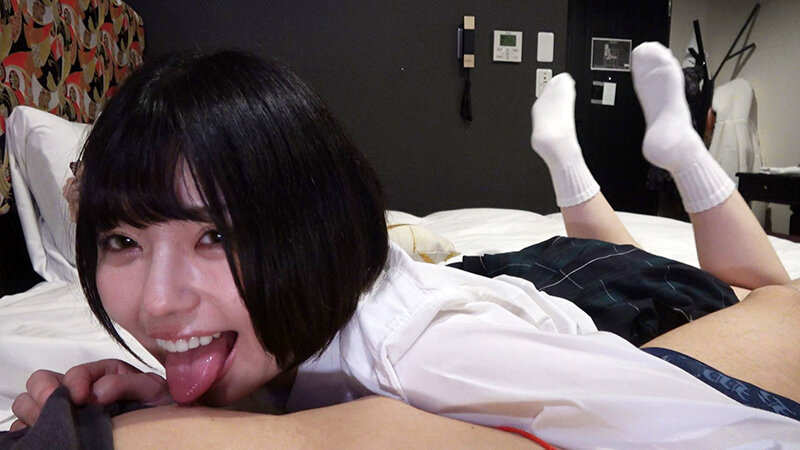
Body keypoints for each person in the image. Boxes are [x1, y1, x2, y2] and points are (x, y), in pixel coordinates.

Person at [9, 43, 800, 447]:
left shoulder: (426, 353)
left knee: (768, 293)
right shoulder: (302, 327)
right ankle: (568, 161)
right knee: (612, 251)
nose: (156, 302)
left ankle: (680, 155)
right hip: (496, 280)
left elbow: (744, 430)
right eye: (122, 239)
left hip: (592, 310)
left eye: (214, 234)